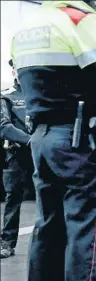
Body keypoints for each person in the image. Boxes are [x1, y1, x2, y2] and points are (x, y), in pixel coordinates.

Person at [11, 0, 96, 281]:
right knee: (86, 231)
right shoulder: (78, 19)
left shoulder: (27, 25)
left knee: (47, 231)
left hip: (40, 139)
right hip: (78, 140)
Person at [0, 59, 33, 259]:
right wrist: (30, 141)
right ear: (13, 71)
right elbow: (3, 126)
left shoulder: (41, 96)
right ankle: (7, 243)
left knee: (51, 198)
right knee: (13, 199)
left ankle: (52, 244)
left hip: (41, 154)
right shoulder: (6, 97)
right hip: (17, 155)